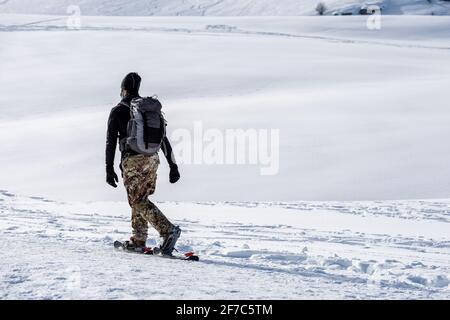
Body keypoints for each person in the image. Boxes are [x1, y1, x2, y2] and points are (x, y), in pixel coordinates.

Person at [105, 72, 181, 255]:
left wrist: (109, 169)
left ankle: (167, 230)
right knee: (140, 199)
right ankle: (138, 240)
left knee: (137, 201)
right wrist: (173, 166)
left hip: (133, 160)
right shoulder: (147, 110)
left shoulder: (118, 110)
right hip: (152, 159)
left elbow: (111, 141)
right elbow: (163, 139)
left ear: (123, 89)